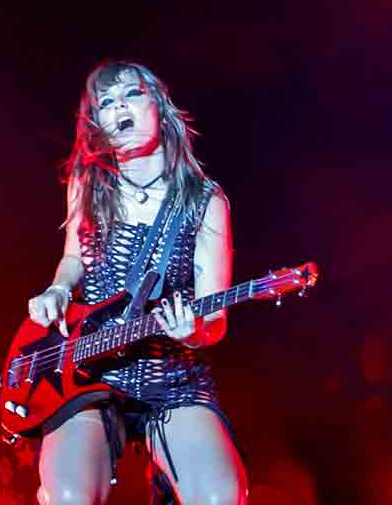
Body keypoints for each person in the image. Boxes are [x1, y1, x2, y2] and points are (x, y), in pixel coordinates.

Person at [26, 60, 245, 505]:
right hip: (89, 371)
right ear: (97, 124)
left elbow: (215, 318)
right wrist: (59, 288)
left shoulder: (205, 200)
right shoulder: (88, 184)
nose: (118, 106)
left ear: (159, 107)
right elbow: (73, 258)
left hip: (171, 373)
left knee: (220, 497)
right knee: (68, 497)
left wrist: (194, 332)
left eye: (131, 94)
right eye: (106, 102)